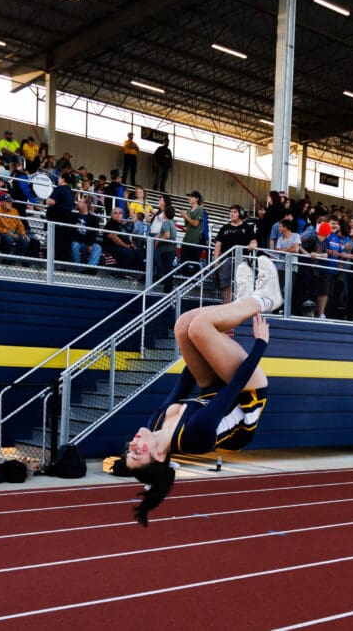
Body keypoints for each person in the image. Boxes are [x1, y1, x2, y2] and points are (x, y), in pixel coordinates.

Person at [125, 256, 283, 525]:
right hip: (247, 396)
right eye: (138, 452)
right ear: (160, 455)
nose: (132, 444)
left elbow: (185, 383)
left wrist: (205, 348)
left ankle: (239, 303)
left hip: (212, 391)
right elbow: (232, 390)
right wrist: (260, 345)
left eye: (128, 450)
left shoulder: (156, 423)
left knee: (184, 327)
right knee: (201, 327)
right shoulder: (193, 438)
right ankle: (265, 299)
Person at [179, 190, 205, 273]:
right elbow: (187, 225)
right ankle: (186, 277)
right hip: (187, 238)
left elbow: (195, 224)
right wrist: (184, 216)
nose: (189, 198)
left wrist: (185, 216)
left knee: (194, 262)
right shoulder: (190, 210)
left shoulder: (199, 210)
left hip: (194, 240)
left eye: (191, 197)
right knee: (183, 260)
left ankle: (194, 280)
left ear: (196, 198)